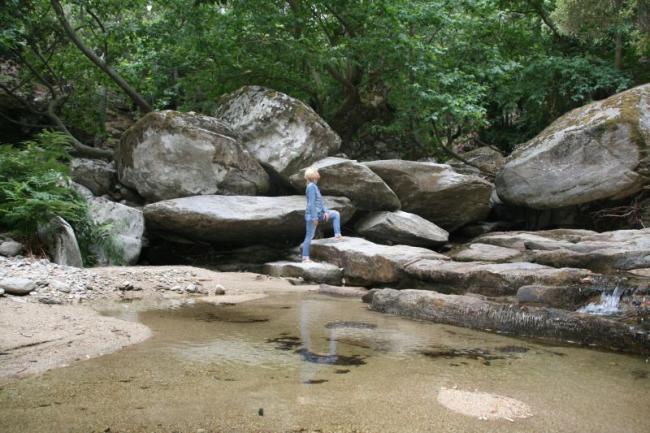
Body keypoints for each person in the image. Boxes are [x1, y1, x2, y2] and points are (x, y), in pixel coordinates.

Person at [301, 166, 342, 262]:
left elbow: (320, 202)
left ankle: (337, 235)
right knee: (309, 236)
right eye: (316, 172)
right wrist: (315, 218)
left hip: (320, 214)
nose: (318, 173)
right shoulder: (311, 187)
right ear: (313, 175)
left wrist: (326, 212)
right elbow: (311, 204)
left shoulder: (314, 186)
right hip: (313, 216)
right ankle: (305, 257)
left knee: (335, 214)